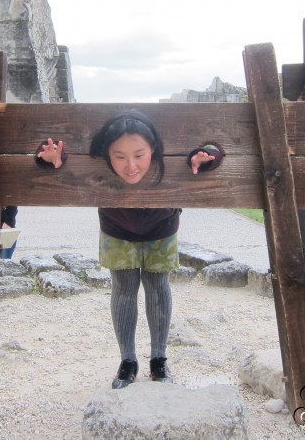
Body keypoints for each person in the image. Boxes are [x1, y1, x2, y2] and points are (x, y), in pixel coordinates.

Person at [35, 110, 223, 388]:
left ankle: (159, 360)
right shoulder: (97, 159)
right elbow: (48, 157)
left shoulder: (168, 158)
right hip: (116, 228)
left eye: (139, 154)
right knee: (123, 289)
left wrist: (205, 157)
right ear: (107, 154)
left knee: (158, 287)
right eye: (119, 156)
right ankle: (128, 361)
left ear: (155, 150)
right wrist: (52, 160)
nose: (130, 165)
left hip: (162, 226)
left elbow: (213, 152)